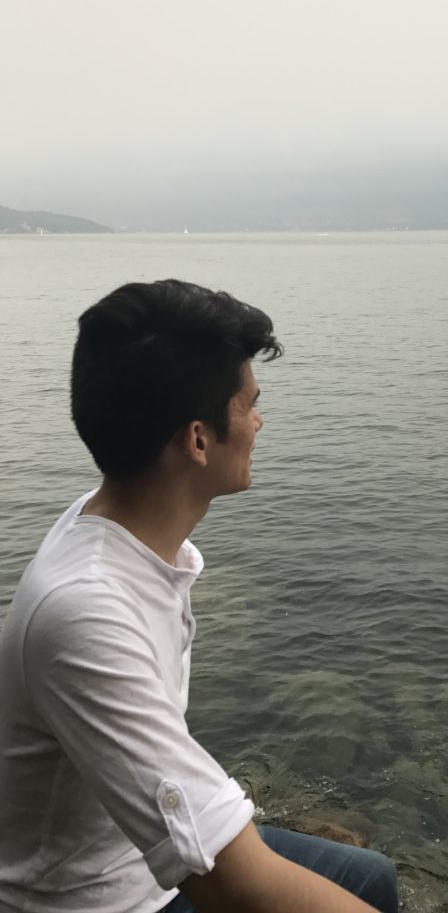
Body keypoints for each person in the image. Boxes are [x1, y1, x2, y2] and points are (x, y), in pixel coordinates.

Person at [0, 279, 399, 913]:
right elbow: (230, 884)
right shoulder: (85, 610)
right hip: (96, 902)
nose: (261, 422)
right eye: (250, 405)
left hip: (133, 858)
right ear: (197, 440)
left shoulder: (114, 522)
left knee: (371, 878)